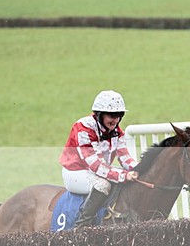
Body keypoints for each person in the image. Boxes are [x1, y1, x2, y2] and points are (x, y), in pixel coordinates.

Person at [59, 90, 139, 228]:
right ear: (99, 114)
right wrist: (125, 175)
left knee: (121, 179)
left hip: (98, 171)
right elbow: (96, 166)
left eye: (119, 115)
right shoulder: (83, 128)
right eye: (111, 115)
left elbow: (125, 158)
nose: (115, 120)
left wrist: (140, 169)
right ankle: (81, 227)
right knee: (103, 185)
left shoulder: (118, 132)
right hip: (75, 172)